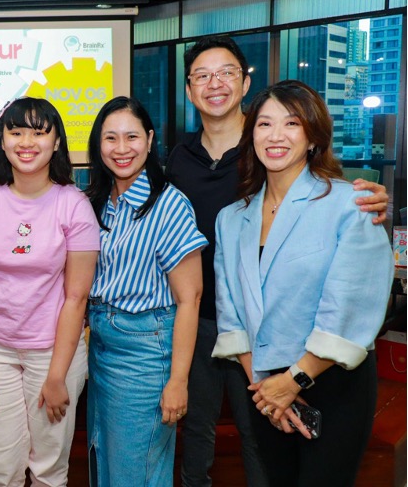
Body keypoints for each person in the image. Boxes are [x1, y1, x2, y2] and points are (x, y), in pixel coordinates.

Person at [167, 36, 390, 487]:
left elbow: (350, 304)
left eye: (290, 124)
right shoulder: (221, 203)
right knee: (212, 444)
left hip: (325, 376)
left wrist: (294, 382)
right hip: (248, 359)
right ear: (189, 89)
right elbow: (230, 300)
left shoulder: (350, 203)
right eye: (266, 125)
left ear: (311, 135)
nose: (276, 135)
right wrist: (268, 389)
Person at [0, 97, 99, 486]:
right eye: (15, 131)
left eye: (39, 132)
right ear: (2, 141)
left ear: (56, 142)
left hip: (54, 350)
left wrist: (57, 376)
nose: (26, 141)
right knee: (1, 469)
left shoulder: (74, 205)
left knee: (49, 467)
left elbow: (76, 298)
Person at [85, 96, 207, 487]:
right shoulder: (100, 202)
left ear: (150, 139)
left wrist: (178, 380)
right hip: (101, 346)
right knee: (104, 457)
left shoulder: (169, 204)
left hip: (145, 352)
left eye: (132, 137)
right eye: (111, 138)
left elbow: (190, 299)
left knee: (134, 473)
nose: (121, 149)